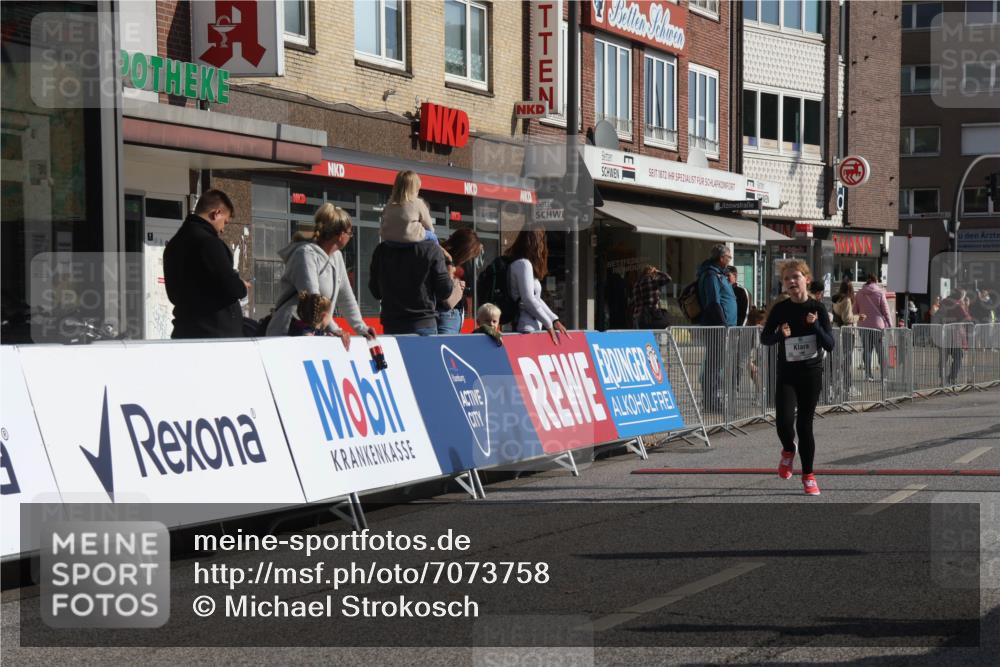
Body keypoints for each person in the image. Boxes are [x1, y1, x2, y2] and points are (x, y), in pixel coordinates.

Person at [760, 259, 835, 496]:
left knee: (804, 426)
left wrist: (815, 327)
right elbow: (765, 338)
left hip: (811, 374)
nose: (792, 282)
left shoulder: (818, 308)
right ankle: (787, 450)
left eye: (796, 277)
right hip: (787, 373)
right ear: (783, 285)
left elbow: (830, 344)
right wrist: (780, 336)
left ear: (806, 280)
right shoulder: (781, 309)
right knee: (783, 422)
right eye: (787, 279)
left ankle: (809, 476)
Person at [266, 204, 373, 349]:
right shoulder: (305, 254)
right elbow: (313, 300)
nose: (351, 236)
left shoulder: (337, 257)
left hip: (311, 333)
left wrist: (363, 329)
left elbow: (346, 298)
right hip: (289, 331)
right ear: (340, 234)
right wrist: (335, 329)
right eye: (350, 233)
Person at [163, 189, 249, 339]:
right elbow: (230, 286)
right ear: (216, 213)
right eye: (225, 222)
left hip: (185, 330)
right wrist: (241, 285)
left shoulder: (174, 245)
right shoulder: (209, 243)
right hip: (215, 333)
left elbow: (174, 295)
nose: (223, 229)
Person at [369, 228, 453, 336]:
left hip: (392, 324)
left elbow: (375, 292)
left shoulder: (381, 250)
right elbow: (444, 291)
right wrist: (449, 266)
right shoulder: (431, 249)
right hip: (423, 323)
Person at [507, 225, 569, 344]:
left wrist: (554, 319)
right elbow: (528, 299)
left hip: (530, 325)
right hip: (526, 326)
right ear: (535, 243)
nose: (543, 246)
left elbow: (536, 299)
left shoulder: (522, 263)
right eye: (541, 239)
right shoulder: (524, 264)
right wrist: (549, 324)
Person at [697, 244, 736, 411]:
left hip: (721, 327)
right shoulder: (711, 275)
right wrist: (724, 325)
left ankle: (713, 400)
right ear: (721, 258)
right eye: (728, 258)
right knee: (713, 365)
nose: (729, 261)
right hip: (717, 327)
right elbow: (714, 302)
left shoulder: (719, 274)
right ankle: (711, 402)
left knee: (716, 365)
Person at [437, 228, 483, 334]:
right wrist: (457, 286)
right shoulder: (445, 261)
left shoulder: (448, 259)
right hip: (446, 316)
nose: (469, 259)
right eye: (471, 255)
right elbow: (446, 297)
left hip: (451, 316)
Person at [854, 273, 892, 382]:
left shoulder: (860, 293)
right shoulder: (880, 293)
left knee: (867, 350)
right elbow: (886, 311)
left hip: (864, 326)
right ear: (876, 281)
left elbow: (854, 311)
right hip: (878, 327)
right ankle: (883, 376)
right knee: (880, 351)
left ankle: (868, 375)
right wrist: (889, 325)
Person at [380, 170, 437, 243]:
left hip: (389, 240)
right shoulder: (418, 203)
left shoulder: (389, 204)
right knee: (433, 236)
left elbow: (383, 222)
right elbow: (430, 227)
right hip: (410, 238)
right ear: (415, 189)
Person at [938, 287, 974, 385]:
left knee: (943, 359)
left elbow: (937, 316)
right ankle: (952, 378)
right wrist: (967, 307)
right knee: (958, 357)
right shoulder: (957, 305)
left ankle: (942, 380)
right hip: (955, 337)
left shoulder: (943, 303)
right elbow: (967, 318)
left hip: (942, 335)